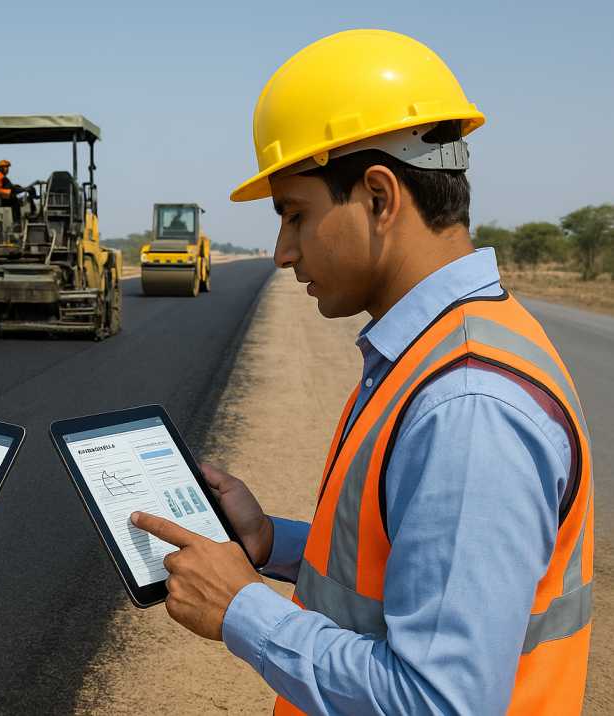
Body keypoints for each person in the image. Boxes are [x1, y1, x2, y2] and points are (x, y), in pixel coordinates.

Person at [131, 29, 592, 715]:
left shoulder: (466, 403)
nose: (283, 252)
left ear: (378, 197)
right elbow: (400, 573)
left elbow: (440, 701)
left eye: (295, 214)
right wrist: (271, 543)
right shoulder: (437, 353)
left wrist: (242, 610)